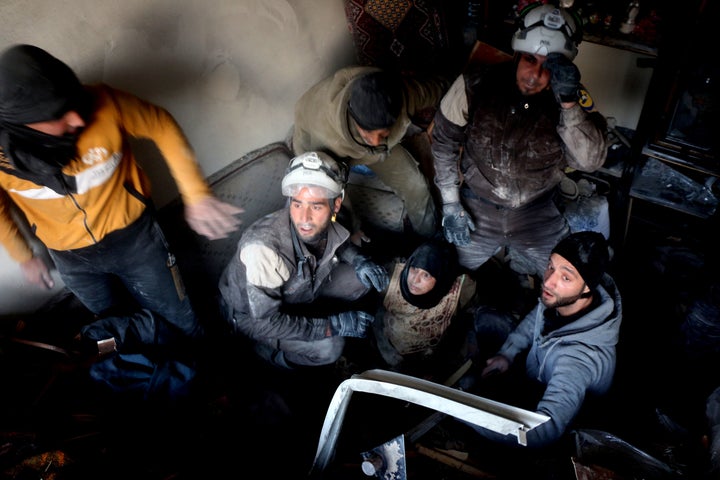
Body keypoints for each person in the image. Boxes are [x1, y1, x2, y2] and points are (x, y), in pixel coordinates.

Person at [0, 44, 244, 351]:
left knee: (178, 317)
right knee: (114, 325)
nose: (77, 119)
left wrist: (196, 194)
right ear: (25, 123)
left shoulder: (105, 103)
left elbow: (161, 124)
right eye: (58, 113)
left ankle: (202, 373)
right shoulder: (3, 159)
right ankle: (154, 378)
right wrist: (23, 255)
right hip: (72, 259)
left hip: (136, 241)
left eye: (72, 101)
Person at [431, 3, 608, 277]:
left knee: (569, 282)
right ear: (517, 53)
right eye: (529, 60)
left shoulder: (572, 98)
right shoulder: (474, 84)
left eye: (548, 66)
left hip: (537, 212)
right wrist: (451, 204)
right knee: (443, 273)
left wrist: (569, 105)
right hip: (478, 205)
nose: (535, 75)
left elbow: (589, 162)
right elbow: (443, 143)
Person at [218, 151, 389, 369]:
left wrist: (359, 260)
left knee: (361, 280)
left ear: (335, 205)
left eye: (316, 206)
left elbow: (334, 239)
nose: (304, 219)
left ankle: (309, 316)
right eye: (297, 204)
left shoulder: (328, 220)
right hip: (252, 317)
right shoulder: (263, 251)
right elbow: (265, 321)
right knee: (331, 348)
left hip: (300, 289)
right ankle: (271, 355)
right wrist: (331, 326)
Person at [461, 231, 622, 449]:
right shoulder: (564, 298)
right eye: (551, 267)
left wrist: (463, 414)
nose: (548, 281)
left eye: (566, 277)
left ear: (587, 287)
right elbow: (537, 316)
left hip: (556, 414)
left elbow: (543, 432)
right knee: (486, 318)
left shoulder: (578, 360)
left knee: (469, 389)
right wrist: (508, 354)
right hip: (536, 371)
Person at [292, 66, 448, 242]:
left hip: (375, 151)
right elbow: (330, 191)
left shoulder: (402, 96)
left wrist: (457, 94)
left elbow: (436, 89)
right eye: (368, 134)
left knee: (416, 186)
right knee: (342, 214)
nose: (375, 140)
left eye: (383, 133)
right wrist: (352, 229)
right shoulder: (321, 134)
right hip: (327, 151)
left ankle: (429, 237)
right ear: (353, 115)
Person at [372, 236, 476, 374]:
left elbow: (465, 319)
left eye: (426, 275)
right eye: (414, 268)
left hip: (432, 359)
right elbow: (374, 315)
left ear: (440, 277)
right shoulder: (389, 277)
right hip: (389, 351)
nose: (415, 279)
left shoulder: (460, 290)